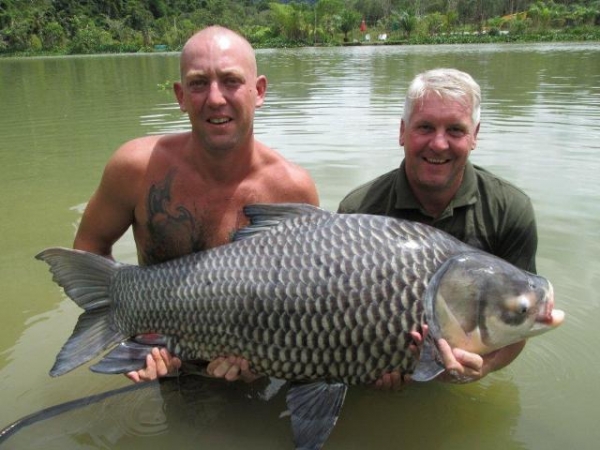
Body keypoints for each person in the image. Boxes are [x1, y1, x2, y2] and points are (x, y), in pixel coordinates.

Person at [73, 26, 319, 383]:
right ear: (180, 95)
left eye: (231, 81)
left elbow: (308, 304)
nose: (215, 98)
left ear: (259, 91)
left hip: (255, 370)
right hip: (167, 364)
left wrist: (266, 359)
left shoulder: (292, 190)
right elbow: (90, 248)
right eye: (199, 83)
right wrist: (139, 343)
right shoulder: (136, 168)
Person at [338, 68, 538, 389]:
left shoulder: (509, 210)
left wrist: (485, 367)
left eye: (456, 130)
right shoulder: (358, 210)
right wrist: (366, 365)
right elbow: (335, 312)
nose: (439, 144)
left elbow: (517, 321)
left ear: (475, 135)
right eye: (425, 127)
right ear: (403, 131)